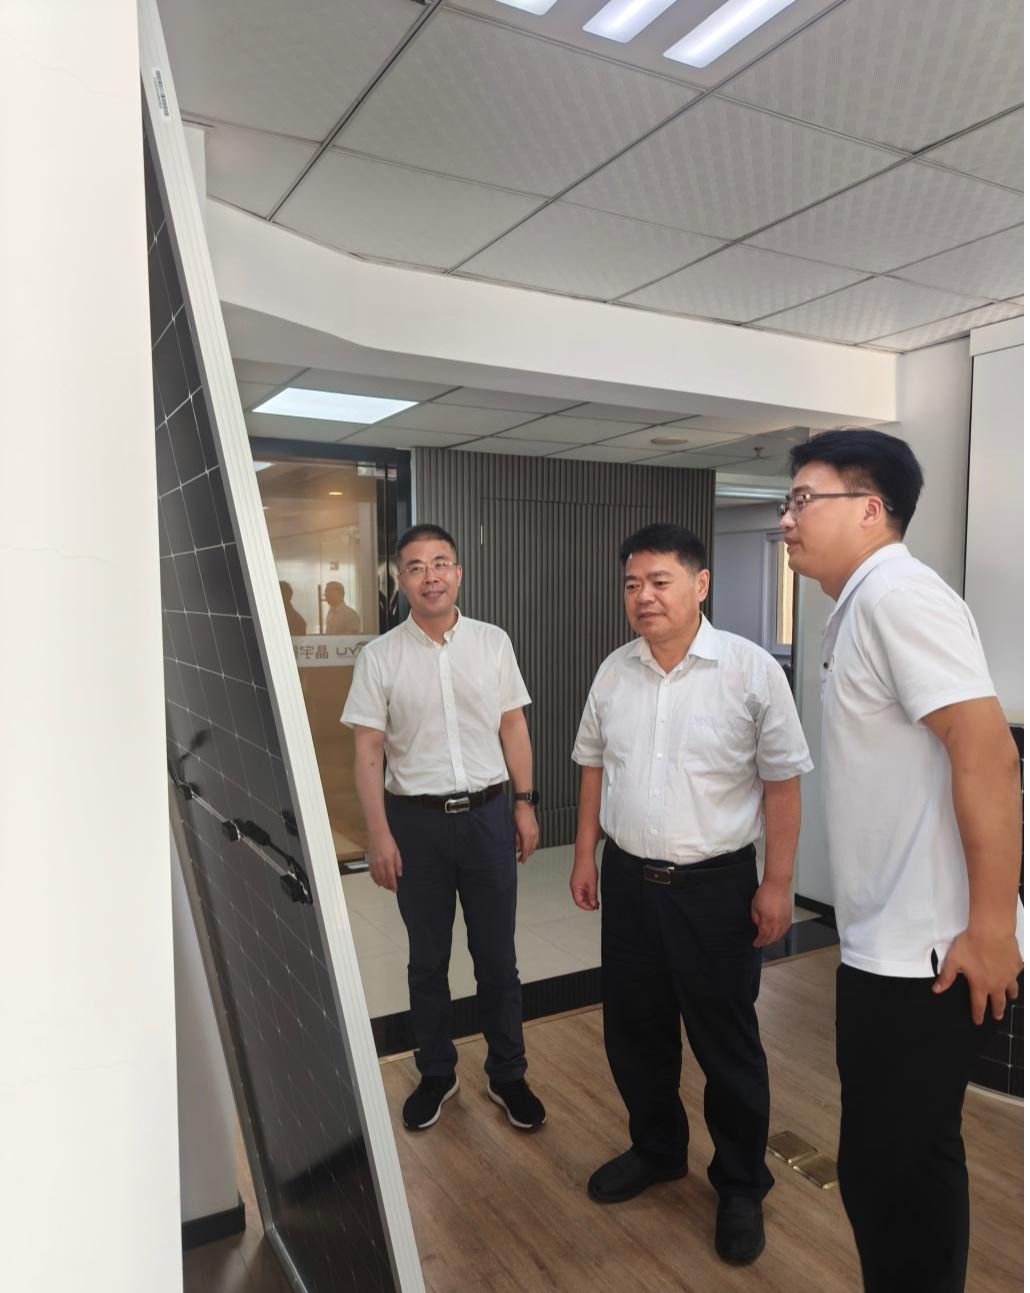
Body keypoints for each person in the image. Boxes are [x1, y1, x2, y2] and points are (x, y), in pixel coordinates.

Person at [779, 429, 1023, 1293]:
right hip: (885, 941)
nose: (787, 519)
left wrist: (991, 929)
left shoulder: (899, 596)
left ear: (870, 509)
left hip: (929, 953)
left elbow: (990, 754)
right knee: (898, 1163)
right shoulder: (858, 605)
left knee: (894, 1173)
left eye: (804, 499)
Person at [570, 523, 812, 1266]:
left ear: (700, 584)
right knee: (634, 1032)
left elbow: (782, 784)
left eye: (659, 581)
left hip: (716, 889)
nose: (643, 596)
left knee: (725, 1042)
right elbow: (593, 767)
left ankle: (740, 1183)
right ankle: (658, 1149)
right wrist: (584, 854)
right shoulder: (614, 672)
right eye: (631, 584)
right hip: (630, 883)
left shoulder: (749, 670)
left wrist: (777, 883)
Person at [342, 523, 547, 1133]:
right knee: (427, 960)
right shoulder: (378, 657)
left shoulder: (492, 642)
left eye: (440, 564)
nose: (429, 576)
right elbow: (368, 752)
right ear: (400, 579)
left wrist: (524, 803)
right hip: (416, 825)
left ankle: (508, 1073)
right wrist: (378, 834)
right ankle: (436, 1071)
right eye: (415, 566)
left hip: (487, 817)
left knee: (497, 958)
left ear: (458, 573)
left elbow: (513, 727)